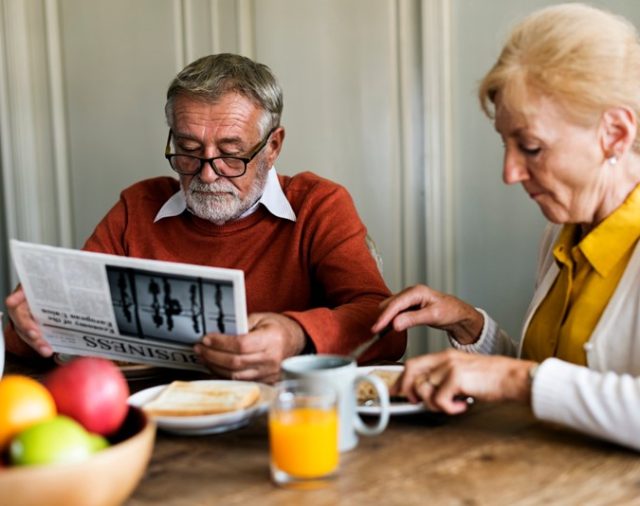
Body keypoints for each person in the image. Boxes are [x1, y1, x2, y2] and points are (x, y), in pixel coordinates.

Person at [5, 53, 406, 382]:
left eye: (231, 153)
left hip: (283, 417)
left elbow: (383, 323)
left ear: (272, 147)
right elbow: (55, 329)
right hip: (153, 418)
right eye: (188, 149)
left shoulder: (319, 204)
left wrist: (297, 335)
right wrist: (32, 321)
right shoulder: (138, 205)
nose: (207, 172)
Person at [373, 3, 640, 451]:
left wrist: (516, 378)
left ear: (614, 132)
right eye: (506, 144)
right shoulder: (561, 232)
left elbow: (533, 382)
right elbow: (556, 384)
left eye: (531, 147)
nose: (510, 172)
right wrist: (471, 327)